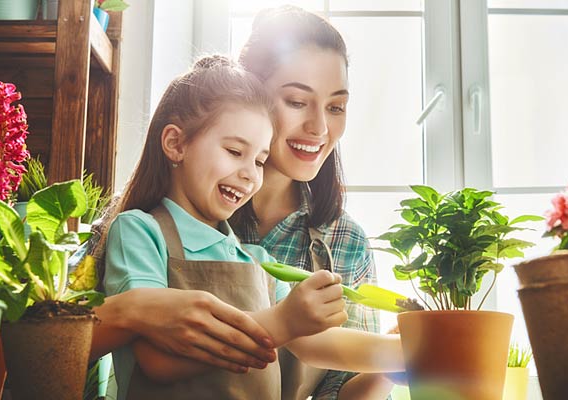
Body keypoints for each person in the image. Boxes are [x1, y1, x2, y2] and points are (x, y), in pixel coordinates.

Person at [100, 55, 404, 400]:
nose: (250, 174)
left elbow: (315, 342)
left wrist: (405, 350)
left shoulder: (255, 259)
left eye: (259, 160)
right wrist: (282, 322)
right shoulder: (140, 232)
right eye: (234, 151)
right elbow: (158, 361)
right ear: (176, 143)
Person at [229, 5, 394, 399]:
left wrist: (397, 357)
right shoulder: (175, 213)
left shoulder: (345, 241)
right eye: (297, 101)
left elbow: (343, 391)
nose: (320, 128)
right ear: (248, 93)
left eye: (336, 107)